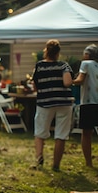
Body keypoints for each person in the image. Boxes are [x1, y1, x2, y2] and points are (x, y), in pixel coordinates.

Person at [32, 39, 74, 171]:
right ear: (58, 52)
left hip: (45, 102)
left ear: (46, 51)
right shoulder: (64, 65)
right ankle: (56, 165)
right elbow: (67, 82)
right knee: (61, 134)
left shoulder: (39, 66)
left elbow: (35, 86)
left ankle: (39, 158)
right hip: (64, 102)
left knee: (40, 131)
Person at [72, 44, 98, 167]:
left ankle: (89, 163)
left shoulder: (85, 64)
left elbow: (80, 80)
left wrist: (69, 81)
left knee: (86, 134)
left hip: (88, 103)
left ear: (88, 55)